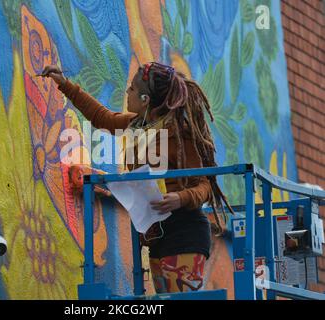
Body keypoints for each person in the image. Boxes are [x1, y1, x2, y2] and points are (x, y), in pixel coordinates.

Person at [40, 62, 233, 294]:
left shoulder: (179, 134)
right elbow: (101, 118)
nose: (127, 93)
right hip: (156, 234)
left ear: (145, 99)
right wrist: (64, 84)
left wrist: (180, 198)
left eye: (131, 89)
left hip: (185, 230)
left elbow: (205, 185)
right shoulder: (134, 126)